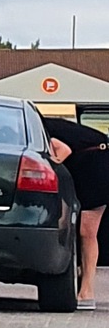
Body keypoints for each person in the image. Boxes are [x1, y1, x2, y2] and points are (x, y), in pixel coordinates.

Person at [43, 113, 109, 303]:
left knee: (86, 232)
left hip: (96, 167)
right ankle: (84, 282)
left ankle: (87, 291)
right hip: (95, 164)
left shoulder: (38, 127)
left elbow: (63, 151)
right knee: (86, 231)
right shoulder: (47, 122)